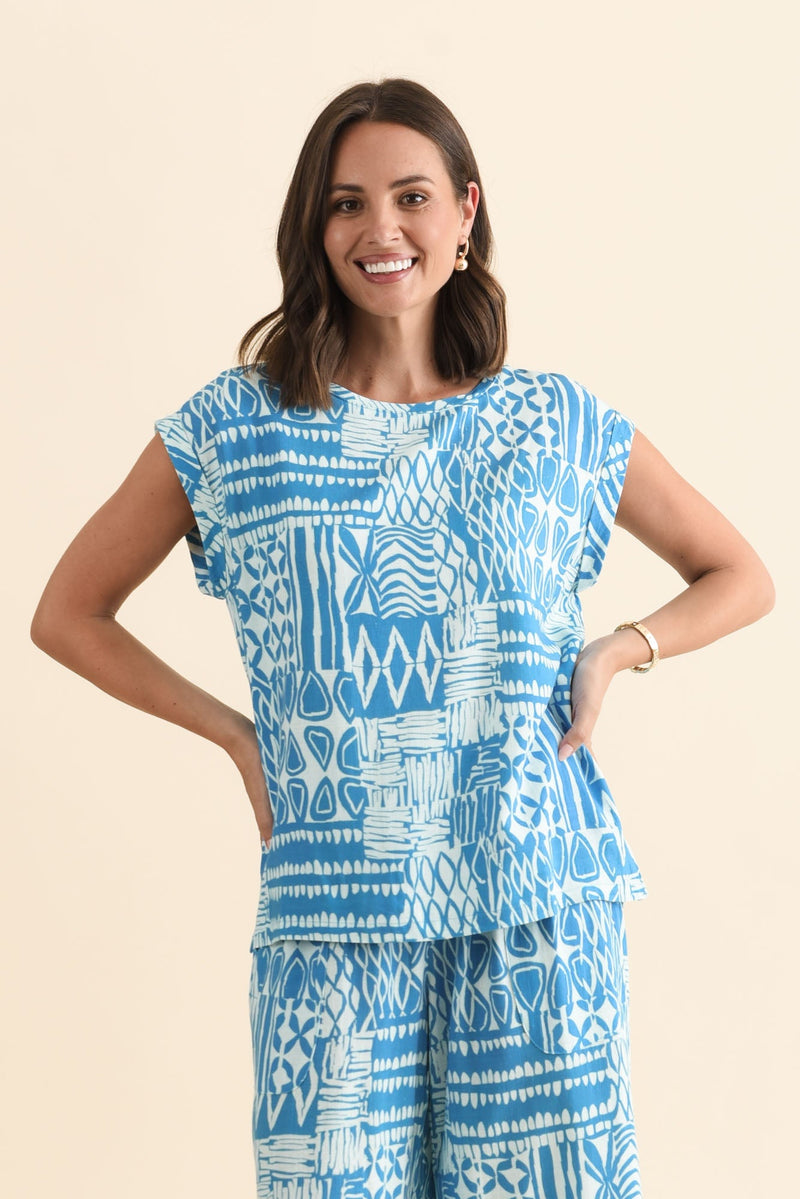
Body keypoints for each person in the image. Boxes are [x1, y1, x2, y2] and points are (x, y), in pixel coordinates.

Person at [30, 77, 774, 1198]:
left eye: (411, 196)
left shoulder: (555, 423)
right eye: (346, 203)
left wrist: (617, 648)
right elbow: (68, 611)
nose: (379, 228)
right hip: (333, 913)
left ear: (465, 211)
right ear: (314, 226)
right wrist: (238, 736)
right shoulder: (237, 428)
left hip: (534, 903)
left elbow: (741, 574)